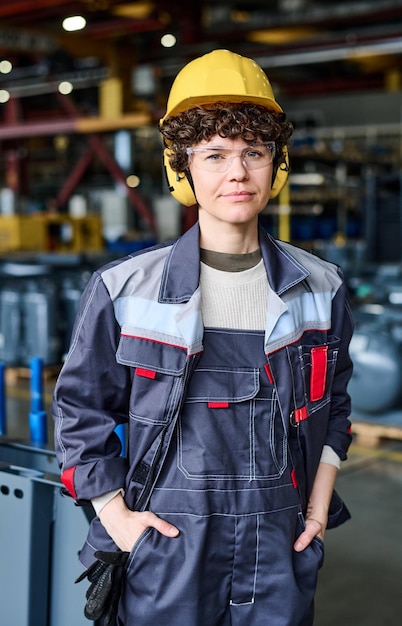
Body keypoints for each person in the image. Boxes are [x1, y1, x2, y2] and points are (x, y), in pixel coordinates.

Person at [52, 49, 354, 626]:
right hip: (168, 556)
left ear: (276, 165)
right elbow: (79, 412)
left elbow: (335, 401)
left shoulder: (322, 288)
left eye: (253, 153)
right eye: (214, 155)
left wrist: (320, 499)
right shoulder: (124, 291)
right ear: (183, 170)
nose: (236, 173)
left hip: (280, 551)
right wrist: (113, 514)